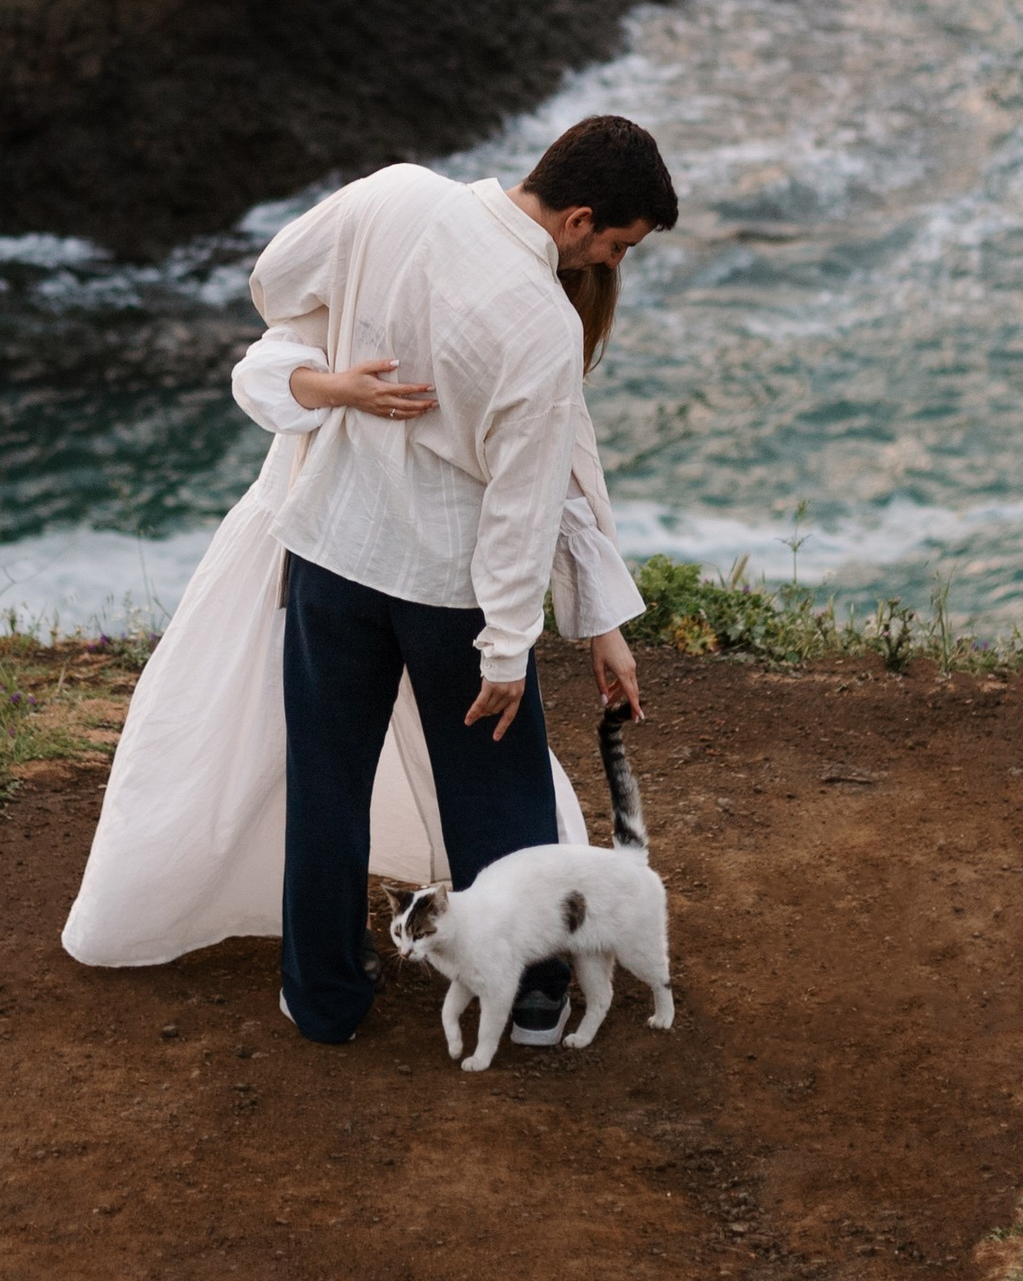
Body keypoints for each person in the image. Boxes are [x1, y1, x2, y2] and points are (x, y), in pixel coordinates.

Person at [60, 116, 677, 1046]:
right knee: (496, 795)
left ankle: (322, 999)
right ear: (581, 217)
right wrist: (508, 649)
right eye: (619, 245)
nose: (613, 264)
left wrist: (329, 374)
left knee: (326, 787)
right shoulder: (542, 324)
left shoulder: (394, 193)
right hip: (447, 590)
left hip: (328, 556)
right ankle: (538, 1001)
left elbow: (273, 282)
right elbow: (521, 510)